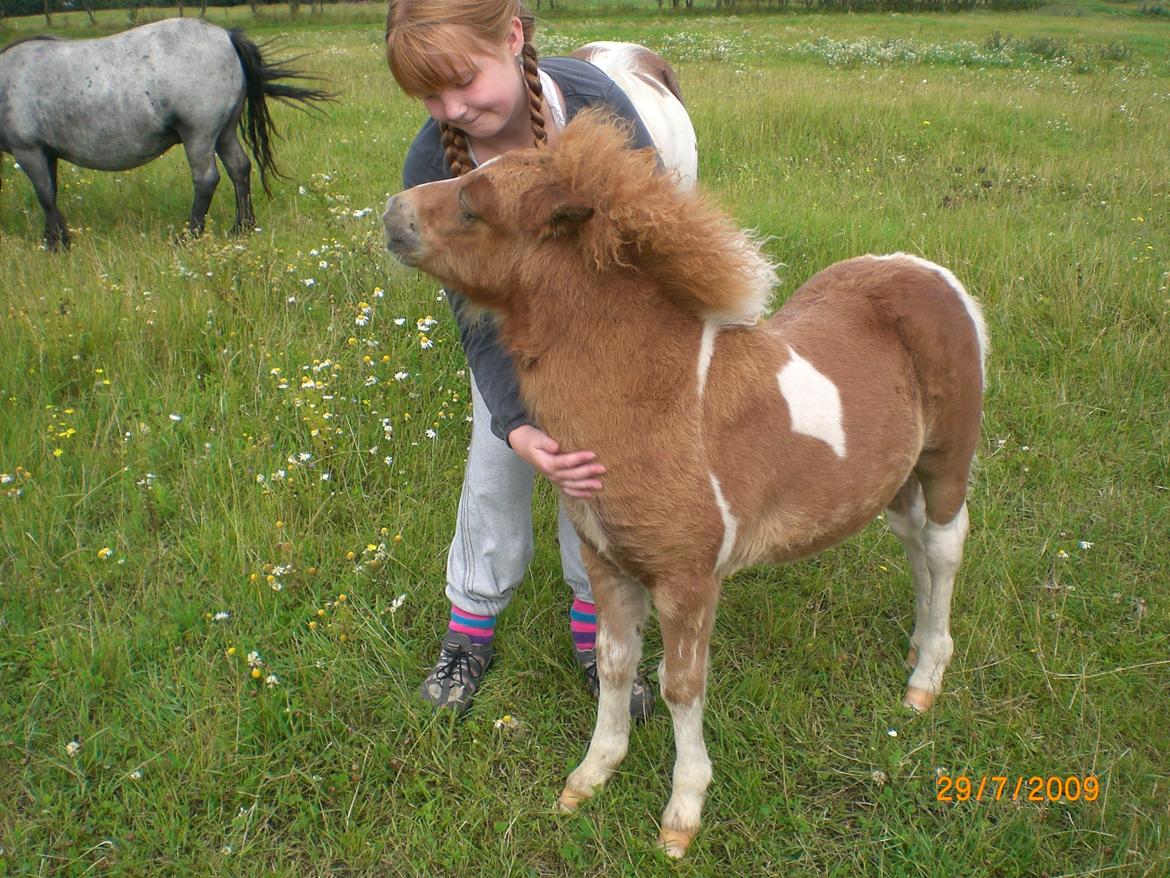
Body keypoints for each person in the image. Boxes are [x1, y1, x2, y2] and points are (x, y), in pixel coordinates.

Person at [385, 0, 660, 719]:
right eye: (429, 95)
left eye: (463, 82)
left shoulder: (597, 110)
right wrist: (516, 421)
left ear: (512, 37)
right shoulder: (431, 158)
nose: (451, 109)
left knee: (596, 467)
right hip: (511, 332)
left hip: (609, 319)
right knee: (495, 464)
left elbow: (649, 247)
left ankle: (596, 618)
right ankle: (470, 625)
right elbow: (473, 315)